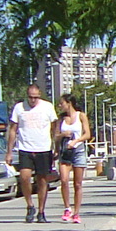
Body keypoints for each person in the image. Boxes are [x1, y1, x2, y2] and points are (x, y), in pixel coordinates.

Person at [7, 84, 57, 223]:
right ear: (27, 96)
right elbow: (13, 130)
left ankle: (41, 211)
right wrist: (9, 152)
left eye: (36, 97)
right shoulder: (19, 108)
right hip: (25, 148)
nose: (33, 100)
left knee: (42, 180)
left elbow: (54, 128)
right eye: (30, 97)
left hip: (43, 148)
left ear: (39, 95)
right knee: (24, 177)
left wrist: (56, 147)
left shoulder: (47, 107)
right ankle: (30, 205)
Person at [54, 93, 91, 223]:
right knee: (64, 180)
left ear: (69, 103)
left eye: (61, 103)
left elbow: (87, 134)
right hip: (65, 151)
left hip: (78, 150)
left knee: (77, 183)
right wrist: (61, 138)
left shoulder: (81, 116)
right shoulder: (61, 119)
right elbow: (56, 136)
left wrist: (76, 141)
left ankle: (76, 212)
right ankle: (67, 208)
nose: (60, 106)